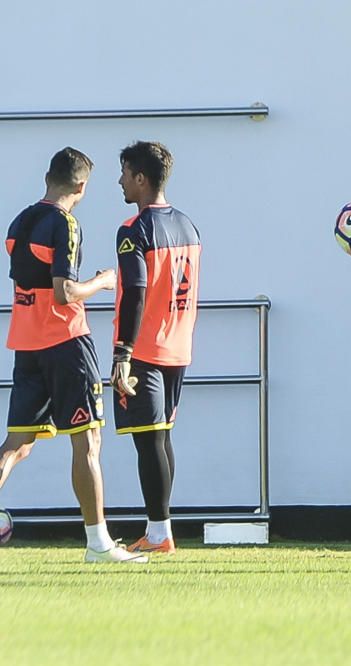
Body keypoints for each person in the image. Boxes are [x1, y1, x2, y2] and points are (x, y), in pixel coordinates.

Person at [0, 148, 147, 563]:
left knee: (17, 443)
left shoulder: (19, 221)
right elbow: (64, 293)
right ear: (81, 187)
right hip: (65, 344)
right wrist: (101, 282)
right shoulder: (64, 224)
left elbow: (31, 284)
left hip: (26, 344)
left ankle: (98, 542)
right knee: (88, 441)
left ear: (48, 176)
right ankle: (98, 543)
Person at [112, 141, 201, 555]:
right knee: (161, 438)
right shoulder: (188, 225)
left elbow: (136, 289)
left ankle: (159, 534)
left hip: (145, 349)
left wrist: (122, 352)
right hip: (178, 347)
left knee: (148, 441)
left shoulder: (134, 230)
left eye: (126, 173)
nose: (121, 181)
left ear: (141, 179)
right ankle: (160, 530)